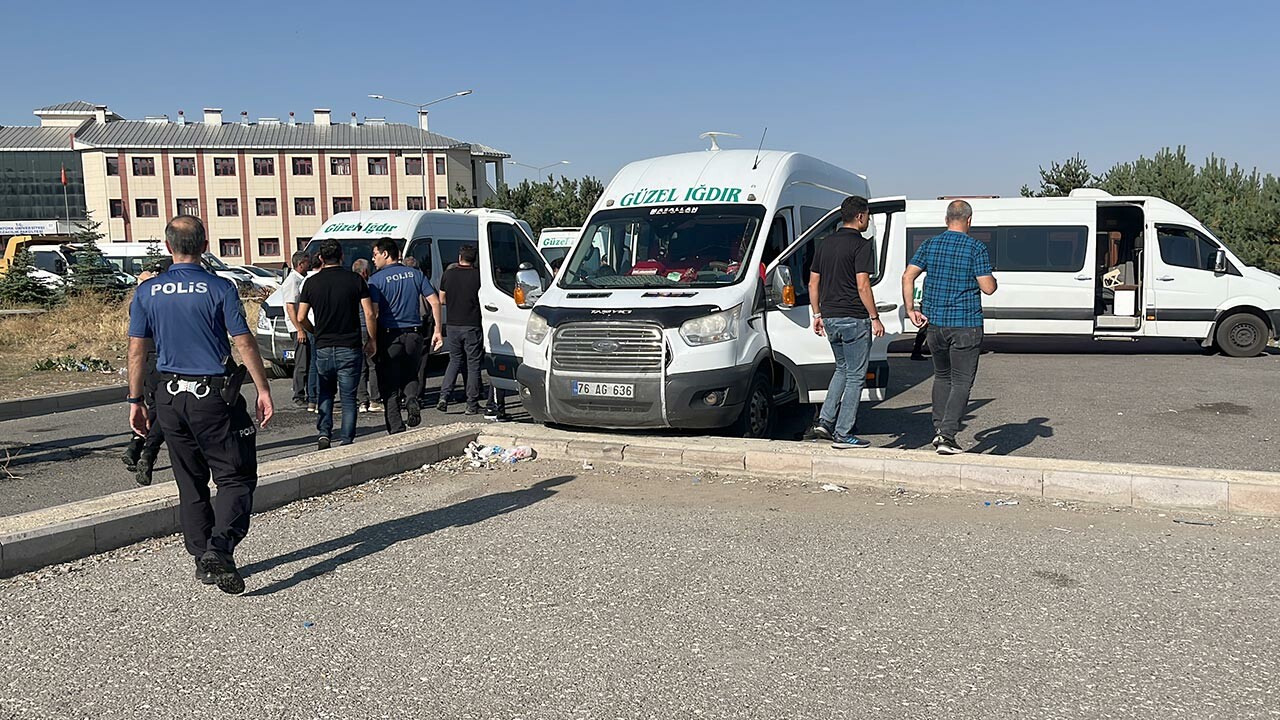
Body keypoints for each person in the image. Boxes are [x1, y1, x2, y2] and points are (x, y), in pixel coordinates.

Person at [127, 215, 274, 595]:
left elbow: (137, 350)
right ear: (205, 245)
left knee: (189, 481)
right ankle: (220, 549)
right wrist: (263, 389)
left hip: (169, 400)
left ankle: (201, 557)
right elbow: (242, 341)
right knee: (235, 477)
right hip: (212, 398)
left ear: (167, 247)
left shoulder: (147, 292)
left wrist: (135, 401)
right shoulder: (219, 288)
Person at [901, 199, 998, 455]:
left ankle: (938, 429)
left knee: (942, 377)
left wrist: (911, 309)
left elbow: (907, 275)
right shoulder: (976, 247)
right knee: (962, 381)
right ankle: (947, 436)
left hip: (935, 325)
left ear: (946, 220)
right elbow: (987, 287)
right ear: (969, 220)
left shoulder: (930, 244)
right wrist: (993, 279)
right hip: (965, 324)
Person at [808, 195, 884, 450]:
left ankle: (824, 421)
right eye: (868, 216)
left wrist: (817, 314)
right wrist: (874, 317)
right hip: (854, 318)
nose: (868, 221)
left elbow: (813, 283)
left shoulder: (824, 243)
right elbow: (863, 285)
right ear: (860, 216)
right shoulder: (862, 246)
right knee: (855, 377)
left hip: (829, 317)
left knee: (841, 369)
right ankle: (843, 433)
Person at [296, 240, 377, 449]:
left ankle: (324, 433)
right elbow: (369, 313)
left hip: (323, 345)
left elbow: (301, 316)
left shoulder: (311, 283)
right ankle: (347, 440)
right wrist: (372, 339)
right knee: (349, 397)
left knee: (325, 392)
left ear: (320, 258)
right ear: (342, 256)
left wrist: (314, 330)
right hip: (349, 345)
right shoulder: (355, 280)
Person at [368, 238, 443, 434]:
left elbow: (374, 313)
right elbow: (435, 302)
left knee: (389, 383)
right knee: (411, 373)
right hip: (415, 334)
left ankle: (396, 427)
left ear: (385, 254)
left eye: (375, 254)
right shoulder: (415, 274)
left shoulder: (376, 280)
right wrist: (437, 330)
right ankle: (411, 399)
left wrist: (372, 340)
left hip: (389, 336)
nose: (373, 259)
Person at [121, 264, 166, 486]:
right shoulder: (161, 301)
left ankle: (135, 446)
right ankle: (147, 454)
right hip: (164, 360)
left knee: (151, 409)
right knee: (163, 413)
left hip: (147, 362)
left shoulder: (138, 302)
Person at [437, 244, 485, 414]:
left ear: (460, 257)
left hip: (452, 324)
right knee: (473, 365)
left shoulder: (448, 274)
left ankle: (444, 396)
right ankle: (471, 404)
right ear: (475, 259)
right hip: (472, 324)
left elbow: (441, 299)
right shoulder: (479, 276)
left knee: (454, 360)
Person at [350, 258, 383, 413]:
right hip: (366, 328)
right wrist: (373, 337)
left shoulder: (348, 287)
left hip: (353, 330)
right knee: (372, 365)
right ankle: (375, 399)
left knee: (359, 367)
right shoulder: (368, 287)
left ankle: (362, 401)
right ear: (365, 272)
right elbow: (372, 313)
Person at [280, 251, 312, 409]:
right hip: (297, 327)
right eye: (307, 262)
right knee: (302, 362)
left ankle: (307, 391)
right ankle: (298, 394)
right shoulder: (292, 281)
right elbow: (291, 308)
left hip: (303, 325)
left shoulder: (301, 279)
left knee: (307, 359)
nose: (310, 264)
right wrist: (299, 329)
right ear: (300, 264)